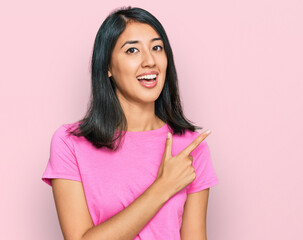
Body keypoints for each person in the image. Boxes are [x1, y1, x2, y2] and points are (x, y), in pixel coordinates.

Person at [42, 6, 218, 240]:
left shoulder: (191, 147)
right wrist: (163, 187)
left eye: (157, 48)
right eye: (132, 50)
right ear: (107, 67)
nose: (149, 61)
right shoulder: (70, 143)